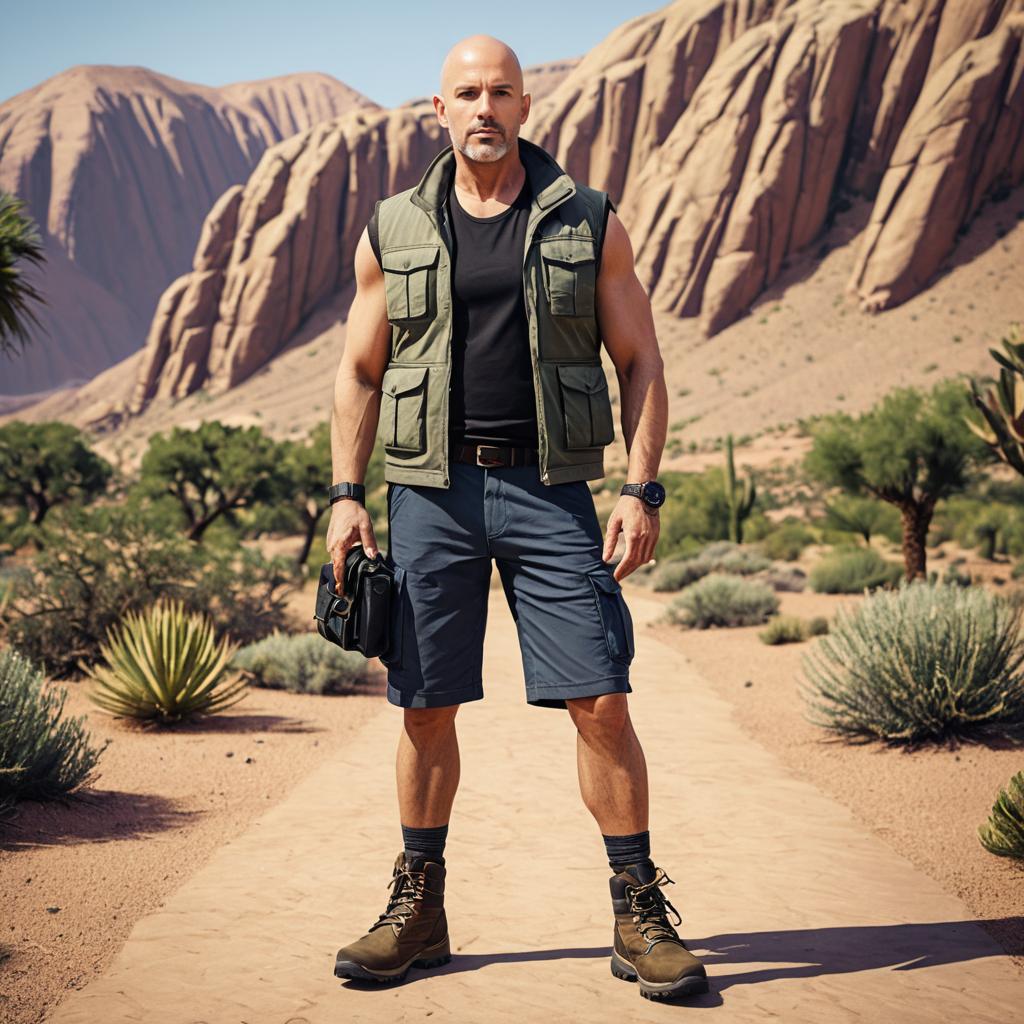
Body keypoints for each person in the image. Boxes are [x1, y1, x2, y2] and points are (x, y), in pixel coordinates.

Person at [326, 33, 708, 1001]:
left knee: (601, 698)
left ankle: (637, 907)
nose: (484, 108)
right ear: (438, 111)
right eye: (467, 93)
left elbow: (643, 363)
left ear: (527, 106)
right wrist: (342, 497)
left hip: (551, 491)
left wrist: (641, 487)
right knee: (423, 703)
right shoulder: (394, 227)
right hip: (427, 494)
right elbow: (359, 370)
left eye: (501, 91)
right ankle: (420, 904)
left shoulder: (586, 218)